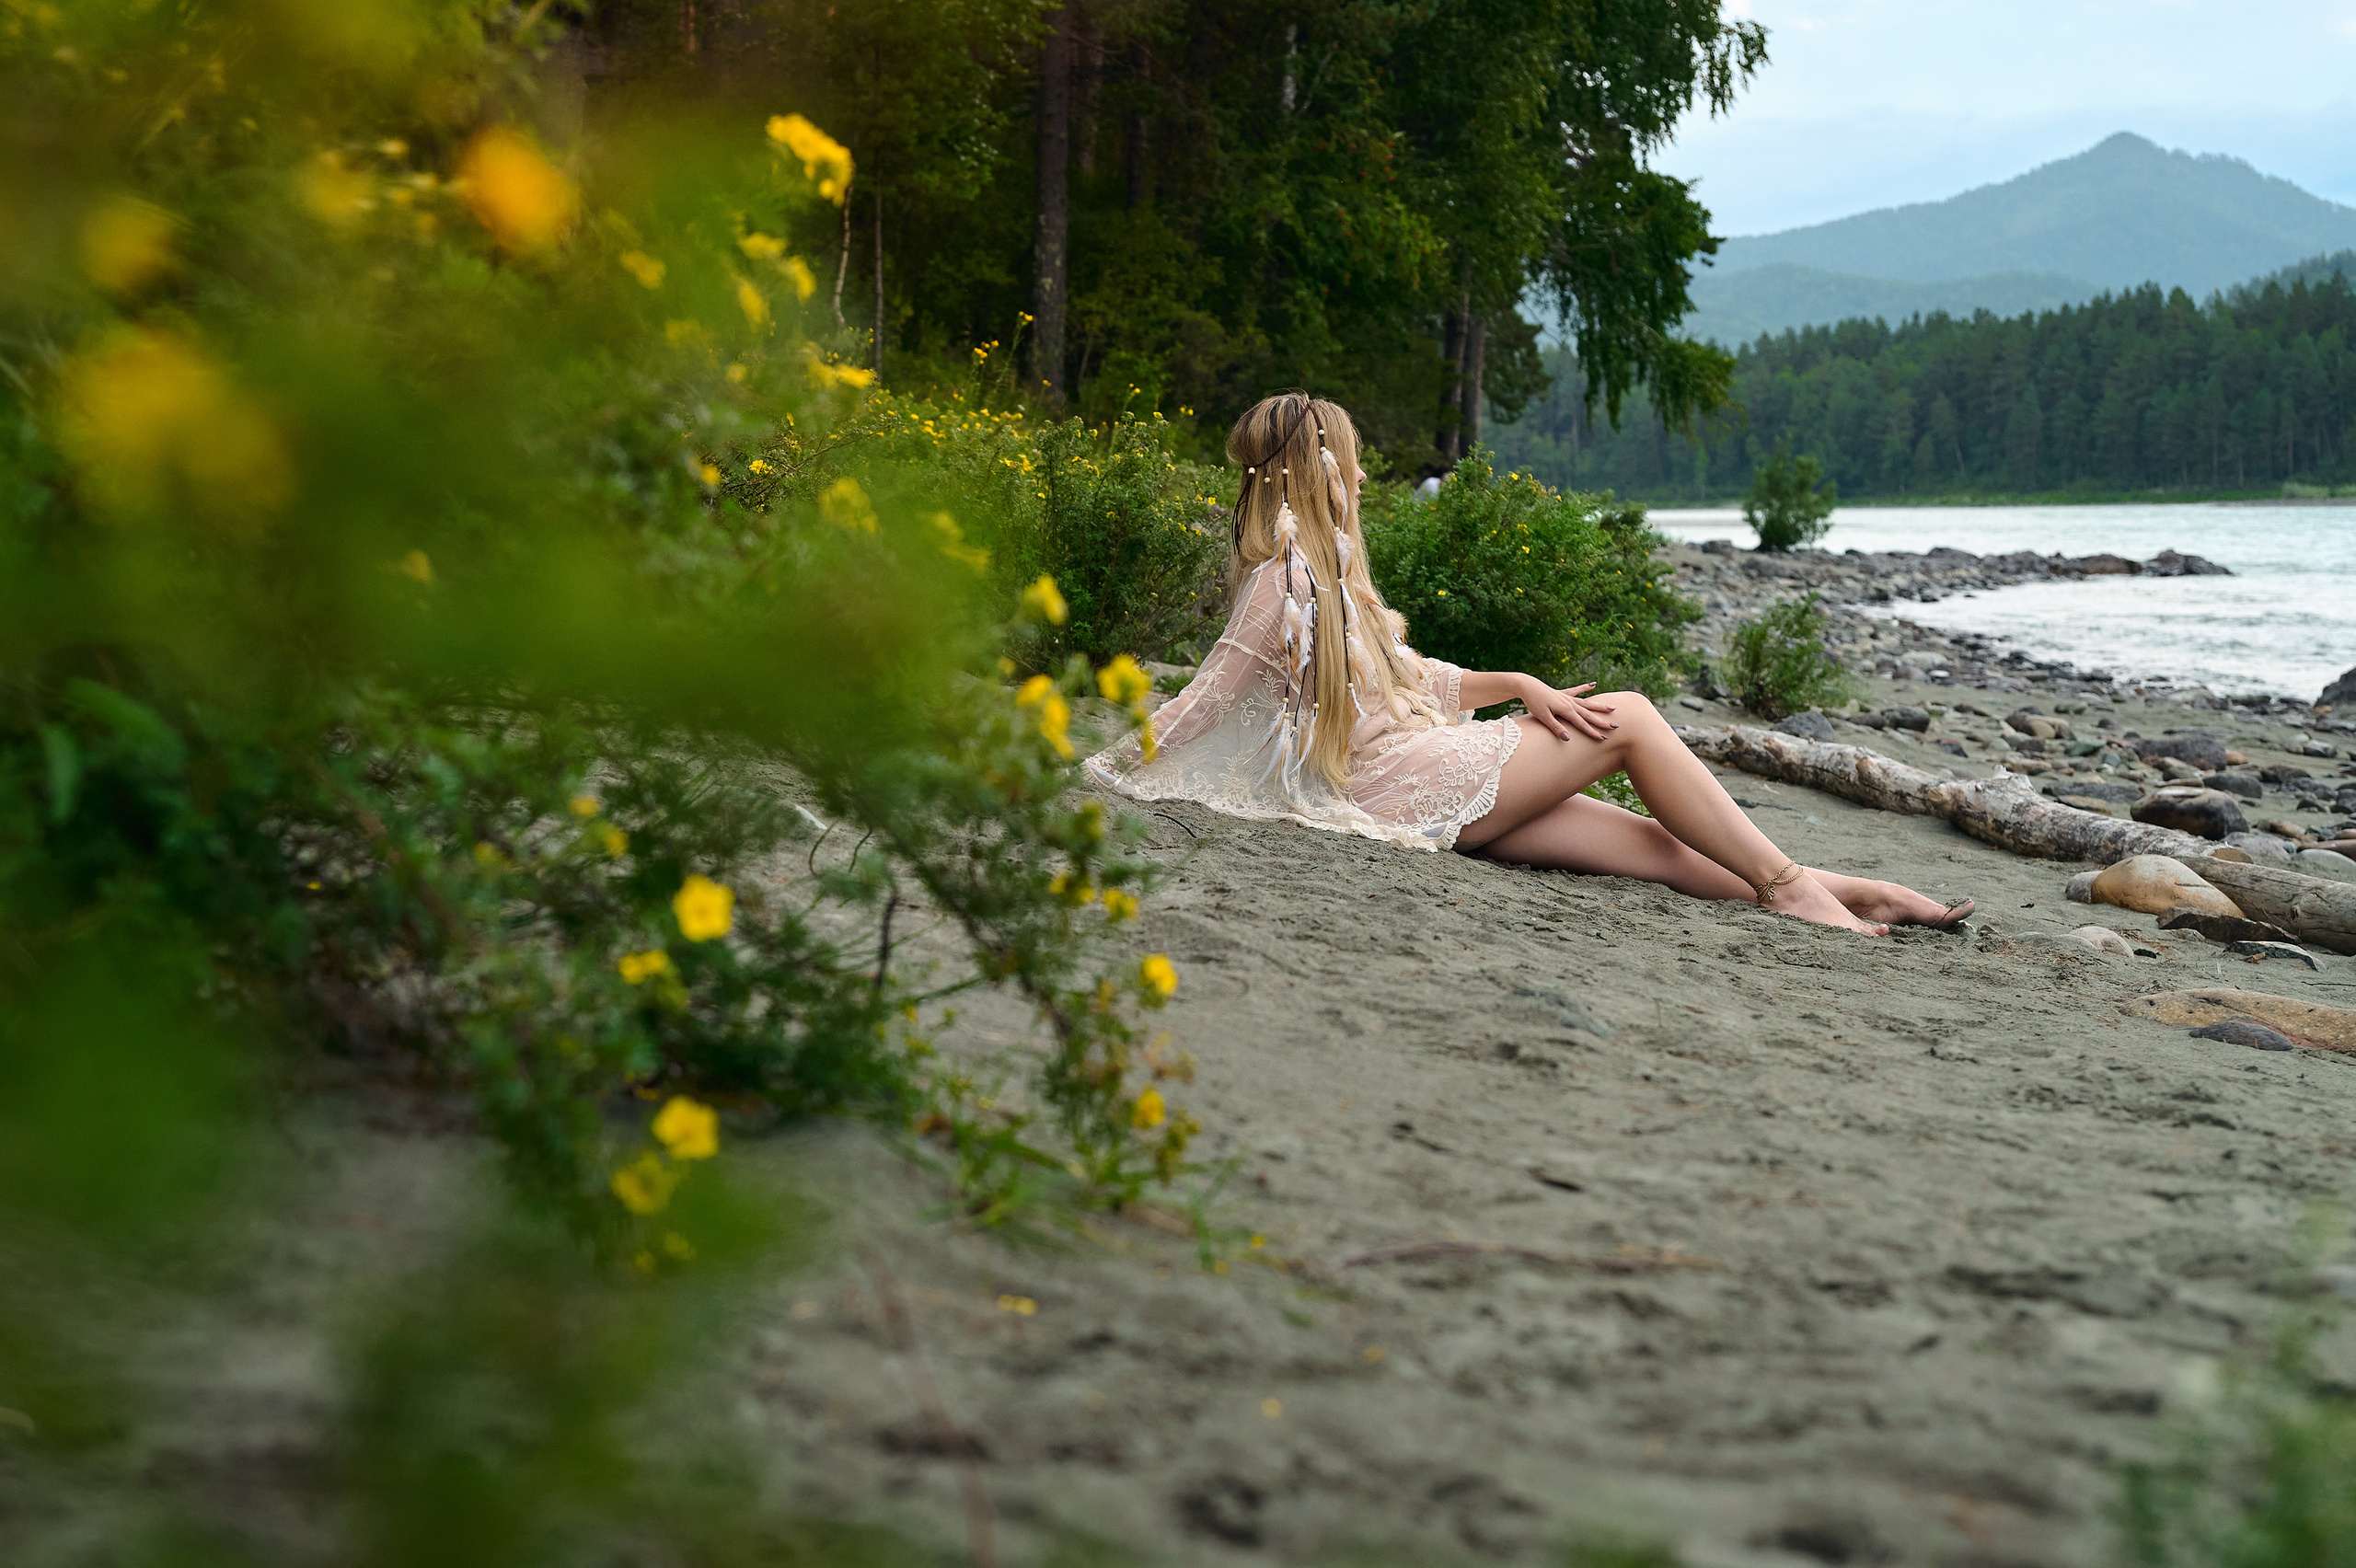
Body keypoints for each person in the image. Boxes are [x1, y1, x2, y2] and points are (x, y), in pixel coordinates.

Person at [1085, 393, 1971, 936]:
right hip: (1388, 783)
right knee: (1626, 717)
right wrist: (1103, 766)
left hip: (1417, 771)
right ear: (1319, 473)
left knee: (1655, 849)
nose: (1362, 482)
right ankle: (1786, 888)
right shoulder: (1284, 582)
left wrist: (1517, 685)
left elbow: (1406, 677)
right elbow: (1204, 699)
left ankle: (1861, 894)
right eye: (1352, 468)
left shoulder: (1330, 571)